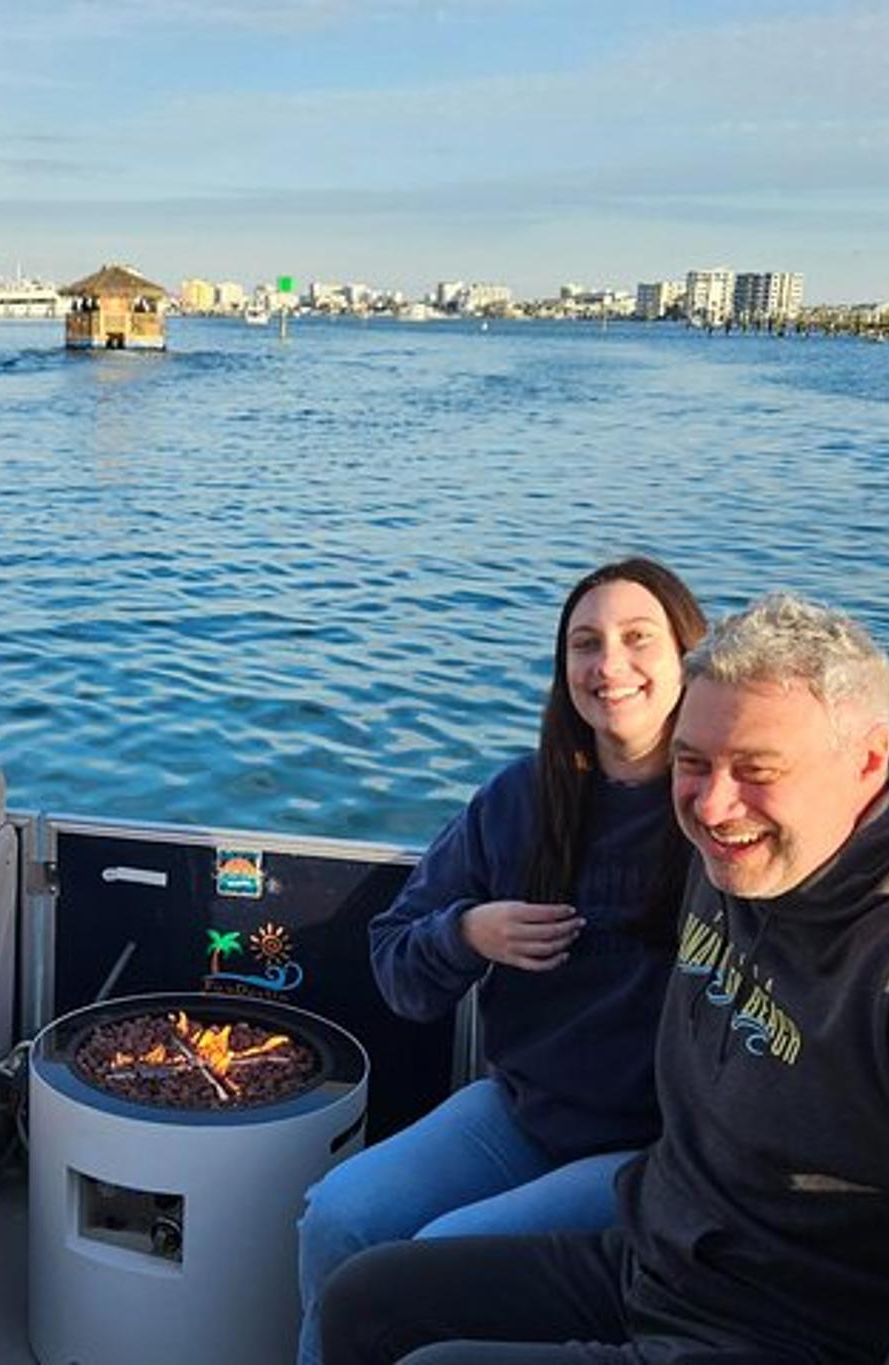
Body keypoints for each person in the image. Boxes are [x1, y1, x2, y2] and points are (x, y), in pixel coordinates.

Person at [319, 593, 889, 1365]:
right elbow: (409, 959)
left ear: (868, 760)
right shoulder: (728, 858)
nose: (712, 803)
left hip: (790, 1325)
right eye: (692, 762)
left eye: (757, 769)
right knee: (365, 1299)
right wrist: (466, 931)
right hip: (661, 1255)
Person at [295, 557, 706, 1363]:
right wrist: (467, 932)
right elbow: (396, 962)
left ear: (688, 656)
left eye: (636, 639)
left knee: (437, 1258)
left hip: (648, 1154)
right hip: (522, 1110)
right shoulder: (519, 800)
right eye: (584, 643)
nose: (609, 665)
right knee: (338, 1216)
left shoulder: (719, 811)